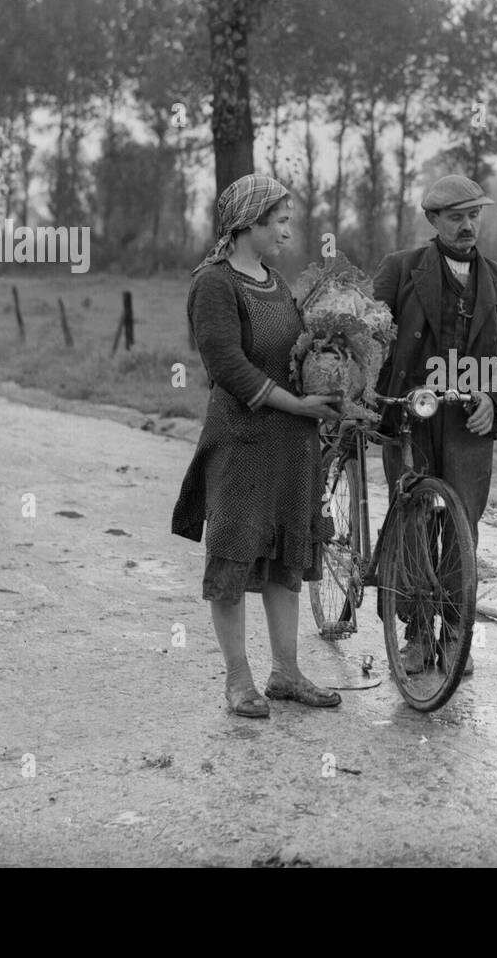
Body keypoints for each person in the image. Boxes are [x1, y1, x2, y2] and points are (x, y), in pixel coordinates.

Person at [172, 173, 344, 717]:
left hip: (292, 448)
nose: (288, 233)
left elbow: (294, 358)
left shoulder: (275, 281)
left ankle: (287, 674)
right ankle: (239, 681)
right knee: (233, 557)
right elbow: (227, 366)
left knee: (285, 561)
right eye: (281, 222)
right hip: (241, 443)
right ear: (248, 223)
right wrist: (296, 406)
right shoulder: (215, 283)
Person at [372, 174, 497, 676]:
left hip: (469, 422)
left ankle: (456, 632)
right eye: (456, 216)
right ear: (433, 220)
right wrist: (370, 399)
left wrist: (496, 400)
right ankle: (415, 633)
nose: (467, 225)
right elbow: (371, 336)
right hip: (409, 418)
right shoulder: (400, 270)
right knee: (414, 521)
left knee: (463, 527)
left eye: (474, 215)